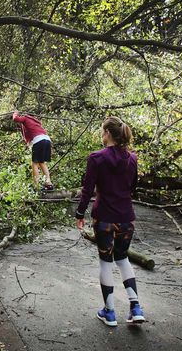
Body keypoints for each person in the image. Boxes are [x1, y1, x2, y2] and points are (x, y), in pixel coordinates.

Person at [74, 116, 146, 327]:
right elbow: (132, 187)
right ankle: (135, 307)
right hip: (126, 218)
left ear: (107, 133)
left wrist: (80, 214)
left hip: (104, 217)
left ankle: (110, 311)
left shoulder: (96, 158)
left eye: (101, 131)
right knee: (122, 259)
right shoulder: (132, 159)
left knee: (106, 262)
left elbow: (88, 190)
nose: (101, 134)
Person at [12, 110, 54, 191]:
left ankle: (37, 185)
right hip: (47, 140)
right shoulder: (36, 122)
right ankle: (48, 182)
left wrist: (15, 113)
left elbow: (15, 119)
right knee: (41, 162)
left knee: (34, 163)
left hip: (39, 141)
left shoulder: (25, 118)